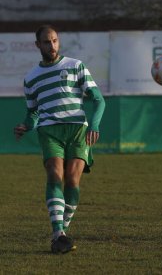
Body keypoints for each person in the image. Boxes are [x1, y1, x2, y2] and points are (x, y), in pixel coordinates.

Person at [14, 25, 106, 254]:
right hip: (49, 130)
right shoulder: (31, 78)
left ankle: (61, 232)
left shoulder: (75, 65)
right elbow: (33, 112)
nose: (52, 46)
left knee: (73, 181)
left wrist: (94, 124)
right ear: (38, 45)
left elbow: (98, 99)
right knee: (55, 174)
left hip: (77, 130)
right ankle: (59, 233)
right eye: (47, 42)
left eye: (55, 40)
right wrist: (26, 125)